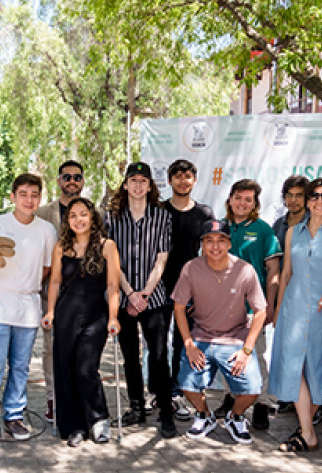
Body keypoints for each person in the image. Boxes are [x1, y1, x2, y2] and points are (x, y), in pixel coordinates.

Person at [0, 173, 57, 458]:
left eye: (34, 195)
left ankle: (14, 417)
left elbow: (45, 270)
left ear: (39, 198)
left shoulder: (46, 230)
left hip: (27, 310)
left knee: (20, 368)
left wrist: (24, 287)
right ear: (13, 197)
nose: (29, 200)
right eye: (23, 194)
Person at [269, 178, 322, 452]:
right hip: (293, 308)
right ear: (307, 200)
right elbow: (287, 273)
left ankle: (305, 429)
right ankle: (307, 432)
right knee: (294, 367)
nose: (319, 201)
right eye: (314, 196)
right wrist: (279, 309)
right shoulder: (294, 231)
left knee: (314, 368)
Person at [174, 220, 267, 443]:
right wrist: (189, 344)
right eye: (209, 240)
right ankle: (204, 415)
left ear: (229, 243)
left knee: (253, 389)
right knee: (186, 385)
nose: (215, 246)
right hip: (202, 337)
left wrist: (247, 349)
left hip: (235, 339)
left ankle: (235, 417)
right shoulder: (191, 268)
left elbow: (261, 311)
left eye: (221, 240)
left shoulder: (245, 269)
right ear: (202, 244)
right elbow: (179, 308)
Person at [41, 198, 121, 446]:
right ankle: (74, 425)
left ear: (92, 217)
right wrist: (51, 312)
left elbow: (112, 286)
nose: (78, 220)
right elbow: (54, 282)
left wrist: (114, 317)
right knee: (64, 369)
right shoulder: (61, 247)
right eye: (73, 215)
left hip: (95, 315)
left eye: (83, 214)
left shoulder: (107, 246)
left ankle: (98, 420)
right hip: (66, 314)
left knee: (86, 369)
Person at [106, 161, 176, 438]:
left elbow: (161, 260)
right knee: (129, 356)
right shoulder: (112, 217)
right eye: (132, 180)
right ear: (125, 185)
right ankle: (136, 407)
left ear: (150, 186)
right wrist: (129, 293)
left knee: (159, 356)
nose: (137, 185)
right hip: (123, 297)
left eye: (142, 181)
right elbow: (111, 260)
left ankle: (166, 411)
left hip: (153, 298)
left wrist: (144, 293)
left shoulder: (162, 217)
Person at [220, 179, 282, 430]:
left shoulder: (263, 230)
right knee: (225, 356)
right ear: (230, 199)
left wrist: (268, 304)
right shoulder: (220, 228)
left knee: (254, 357)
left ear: (255, 204)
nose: (242, 203)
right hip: (221, 308)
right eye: (238, 197)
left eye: (248, 199)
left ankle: (261, 404)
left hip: (251, 309)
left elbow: (274, 270)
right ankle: (231, 398)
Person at [160, 159, 214, 421]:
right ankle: (159, 392)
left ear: (195, 180)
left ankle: (178, 392)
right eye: (178, 176)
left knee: (184, 344)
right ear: (169, 180)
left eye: (188, 176)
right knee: (157, 344)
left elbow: (210, 255)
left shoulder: (204, 214)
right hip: (160, 286)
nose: (183, 181)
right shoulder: (158, 210)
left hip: (190, 291)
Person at [37, 160, 86, 423]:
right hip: (51, 293)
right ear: (58, 181)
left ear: (82, 182)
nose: (72, 181)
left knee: (82, 349)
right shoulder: (43, 213)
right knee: (51, 349)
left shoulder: (93, 212)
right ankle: (53, 399)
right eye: (66, 177)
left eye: (77, 177)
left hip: (84, 295)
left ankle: (78, 397)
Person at [271, 175, 310, 415]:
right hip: (284, 294)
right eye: (289, 195)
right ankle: (289, 397)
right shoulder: (279, 225)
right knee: (286, 347)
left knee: (307, 350)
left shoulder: (315, 222)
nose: (293, 200)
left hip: (307, 295)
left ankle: (311, 402)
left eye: (299, 195)